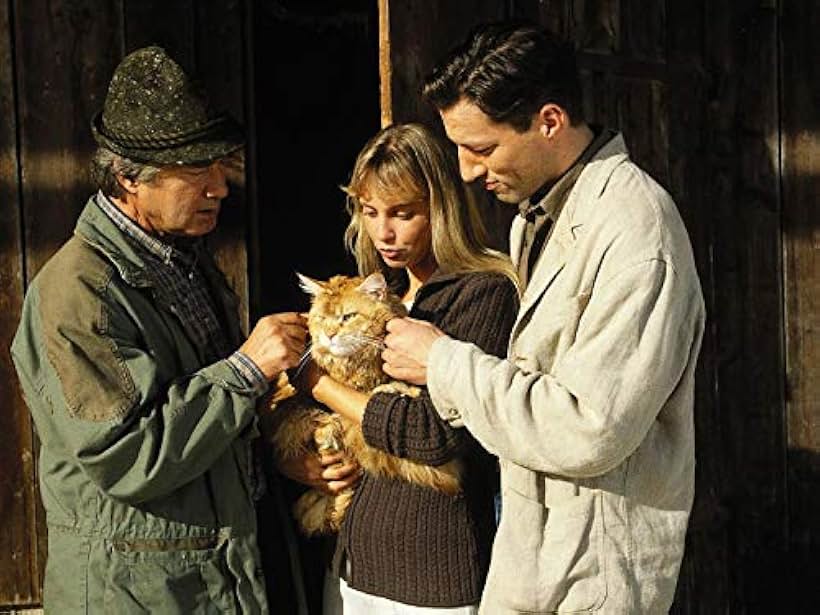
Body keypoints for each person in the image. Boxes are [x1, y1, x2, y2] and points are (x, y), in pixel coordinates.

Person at [381, 22, 706, 614]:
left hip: (594, 577)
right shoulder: (539, 216)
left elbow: (590, 427)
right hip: (539, 556)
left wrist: (442, 362)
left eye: (481, 148)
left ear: (549, 121)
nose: (467, 172)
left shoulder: (636, 231)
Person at [10, 45, 308, 614]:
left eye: (221, 166)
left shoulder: (179, 261)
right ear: (128, 179)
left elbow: (213, 430)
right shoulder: (79, 293)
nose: (219, 186)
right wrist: (245, 371)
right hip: (136, 591)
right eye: (196, 171)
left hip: (201, 576)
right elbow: (127, 452)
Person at [297, 122, 520, 614]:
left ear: (440, 209)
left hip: (430, 579)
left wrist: (320, 386)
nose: (384, 232)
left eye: (403, 213)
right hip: (353, 568)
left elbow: (433, 436)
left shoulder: (482, 292)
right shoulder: (380, 293)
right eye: (370, 211)